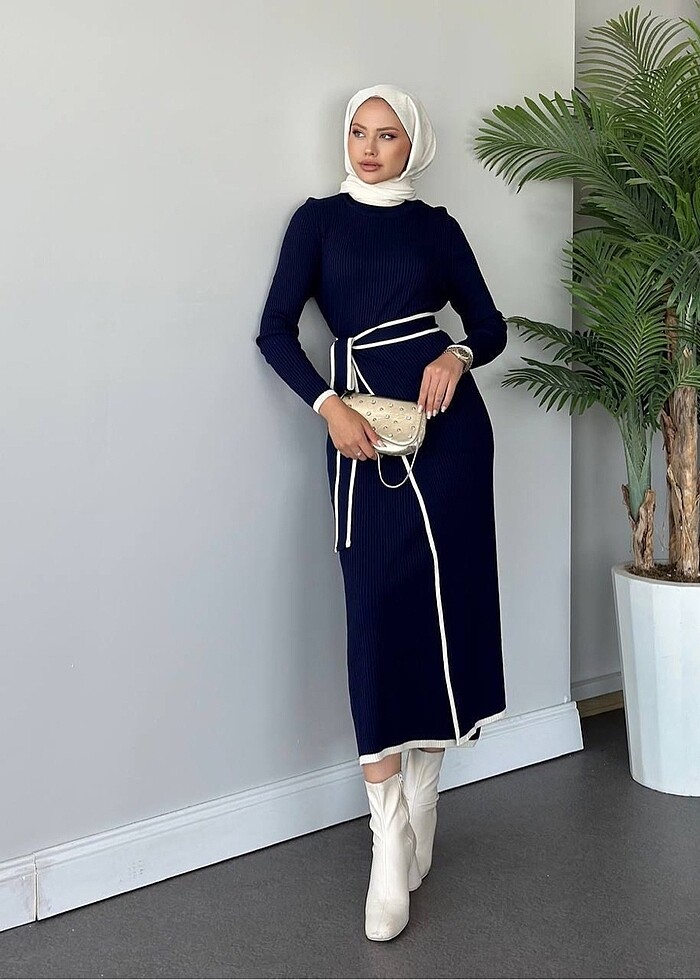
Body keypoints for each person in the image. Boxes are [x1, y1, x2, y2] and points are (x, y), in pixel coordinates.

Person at [256, 83, 508, 942]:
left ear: (414, 144)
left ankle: (424, 804)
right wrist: (328, 405)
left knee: (445, 611)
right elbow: (274, 330)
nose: (368, 148)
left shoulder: (436, 228)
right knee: (376, 620)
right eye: (359, 132)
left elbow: (490, 324)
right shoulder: (318, 222)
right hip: (364, 434)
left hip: (450, 436)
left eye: (387, 135)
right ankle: (386, 840)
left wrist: (458, 355)